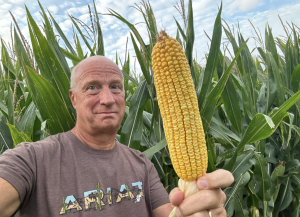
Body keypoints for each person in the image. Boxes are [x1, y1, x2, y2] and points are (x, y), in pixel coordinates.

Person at [0, 56, 234, 217]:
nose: (108, 99)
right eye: (92, 87)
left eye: (115, 87)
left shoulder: (141, 164)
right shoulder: (31, 160)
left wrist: (200, 209)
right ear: (73, 98)